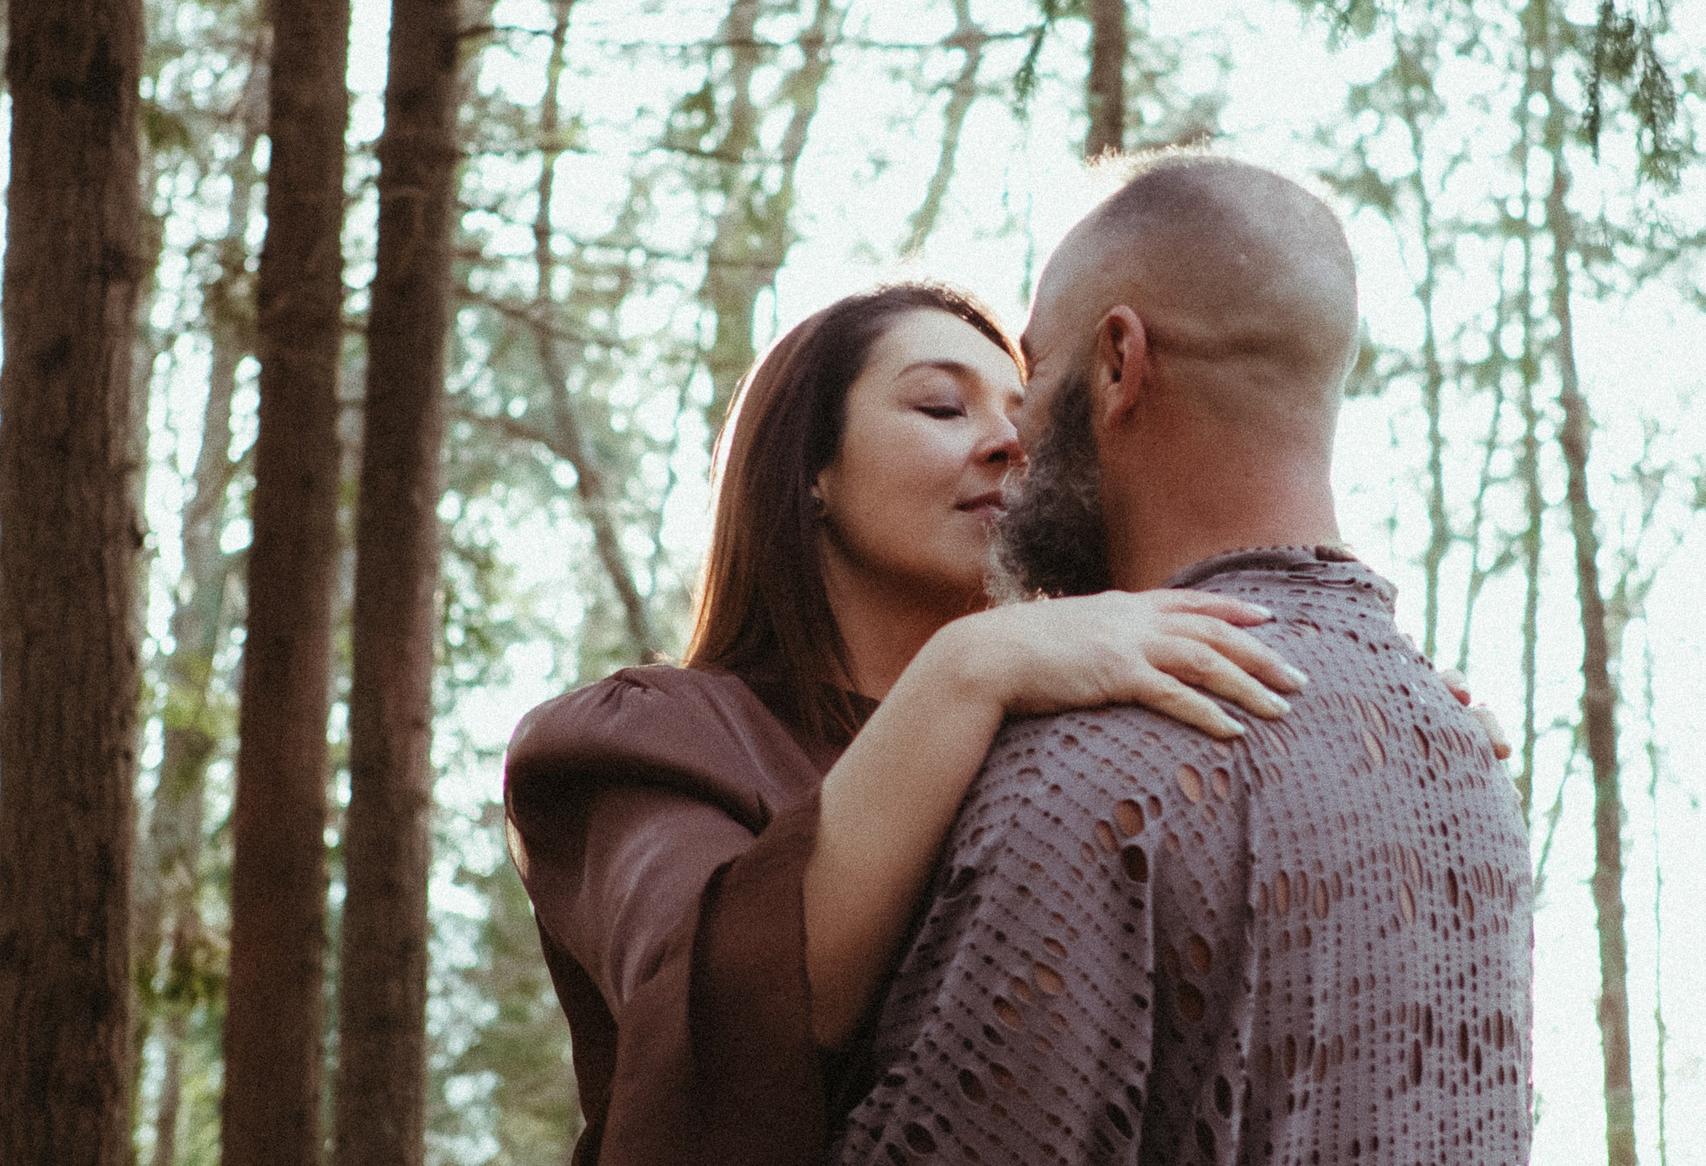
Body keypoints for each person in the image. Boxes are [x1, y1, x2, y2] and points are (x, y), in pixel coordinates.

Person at [501, 282, 1313, 1166]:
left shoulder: (1079, 745)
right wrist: (967, 669)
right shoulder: (638, 741)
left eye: (1022, 414)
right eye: (941, 404)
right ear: (810, 467)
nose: (1010, 443)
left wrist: (1365, 738)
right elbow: (725, 1036)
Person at [834, 155, 1536, 1166]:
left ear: (1120, 362)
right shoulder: (1462, 756)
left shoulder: (1091, 777)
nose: (1012, 436)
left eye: (1031, 377)